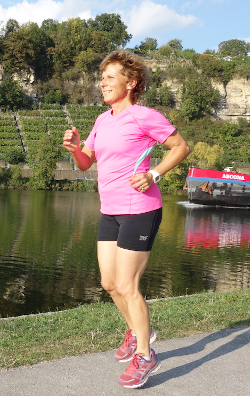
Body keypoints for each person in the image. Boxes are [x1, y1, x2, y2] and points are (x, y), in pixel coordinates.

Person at [63, 49, 190, 389]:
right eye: (101, 77)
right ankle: (138, 331)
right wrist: (76, 148)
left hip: (141, 208)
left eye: (109, 77)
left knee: (127, 286)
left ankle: (147, 355)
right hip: (111, 210)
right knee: (108, 283)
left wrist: (155, 173)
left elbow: (180, 147)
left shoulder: (144, 116)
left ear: (131, 82)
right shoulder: (102, 120)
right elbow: (86, 163)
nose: (102, 82)